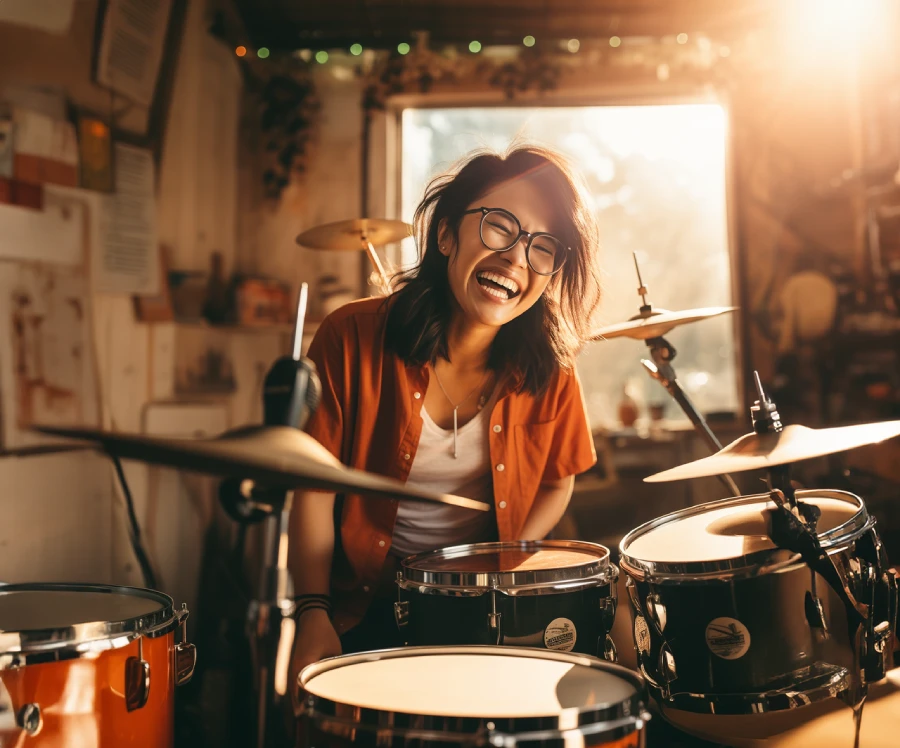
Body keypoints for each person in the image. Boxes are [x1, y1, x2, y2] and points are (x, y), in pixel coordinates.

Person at [287, 144, 604, 703]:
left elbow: (560, 478)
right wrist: (313, 610)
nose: (515, 258)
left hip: (486, 616)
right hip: (362, 610)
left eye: (542, 247)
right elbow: (311, 488)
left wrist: (512, 566)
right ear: (446, 236)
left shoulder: (552, 367)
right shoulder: (350, 336)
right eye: (500, 226)